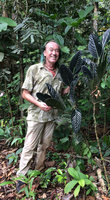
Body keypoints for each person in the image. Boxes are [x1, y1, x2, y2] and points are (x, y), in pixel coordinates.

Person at [16, 40, 69, 191]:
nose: (54, 53)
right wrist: (39, 104)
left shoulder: (60, 73)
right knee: (29, 147)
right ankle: (21, 177)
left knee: (44, 146)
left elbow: (60, 93)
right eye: (51, 50)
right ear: (44, 53)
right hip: (36, 116)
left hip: (51, 116)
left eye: (57, 50)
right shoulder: (34, 69)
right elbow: (25, 93)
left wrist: (70, 87)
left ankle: (37, 172)